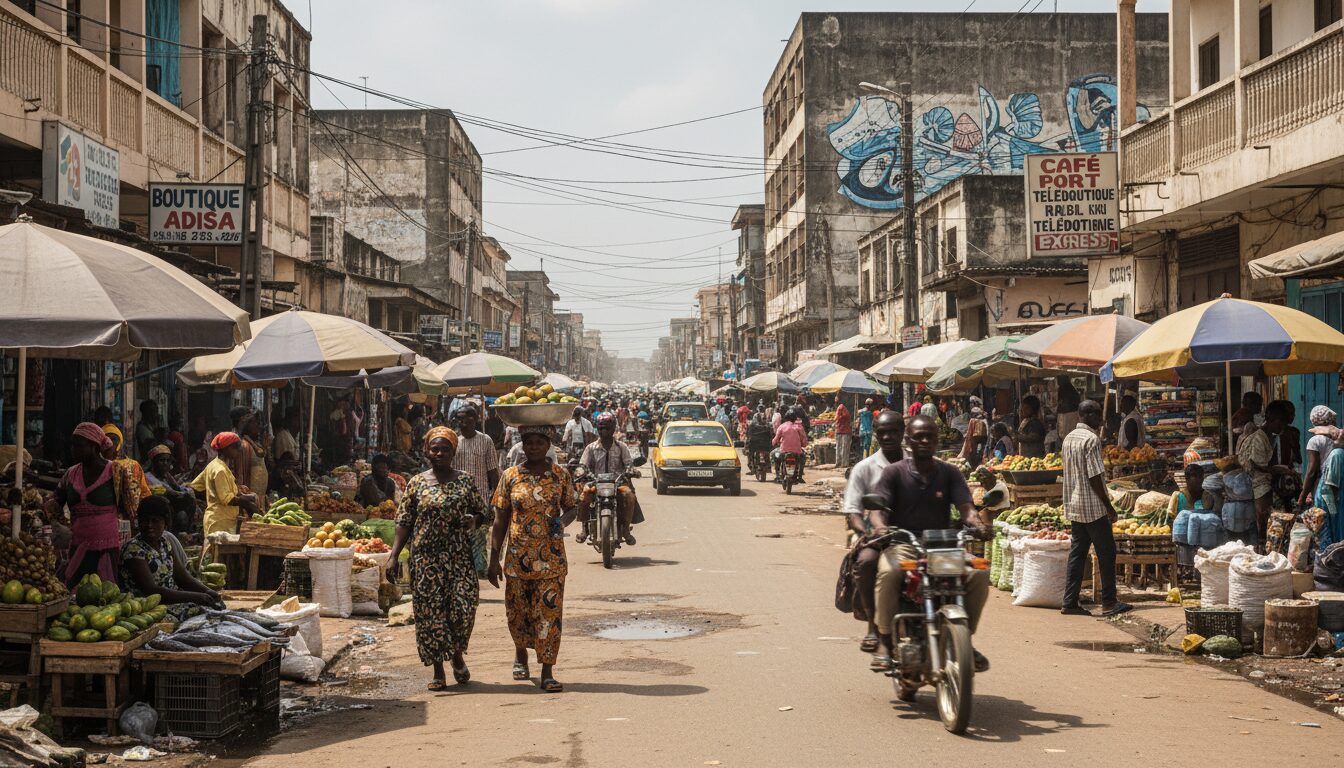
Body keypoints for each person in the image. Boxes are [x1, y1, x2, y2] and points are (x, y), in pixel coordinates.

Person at [872, 416, 991, 673]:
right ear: (909, 441)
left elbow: (967, 508)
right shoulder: (893, 472)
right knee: (889, 572)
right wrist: (881, 528)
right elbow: (878, 509)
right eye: (919, 437)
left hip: (943, 545)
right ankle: (883, 640)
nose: (925, 441)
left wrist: (978, 525)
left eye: (930, 437)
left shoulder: (950, 473)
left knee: (979, 572)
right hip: (904, 542)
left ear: (938, 441)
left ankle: (964, 639)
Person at [387, 427, 490, 690]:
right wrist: (393, 555)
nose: (440, 453)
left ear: (454, 452)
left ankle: (456, 654)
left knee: (463, 608)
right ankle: (437, 669)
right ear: (426, 452)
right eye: (435, 449)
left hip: (458, 558)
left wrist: (473, 519)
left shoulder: (465, 481)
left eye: (445, 449)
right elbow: (404, 520)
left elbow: (483, 512)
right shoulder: (417, 483)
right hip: (426, 559)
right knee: (430, 614)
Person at [488, 426, 582, 693]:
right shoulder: (510, 476)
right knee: (518, 614)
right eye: (529, 443)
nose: (534, 447)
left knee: (549, 615)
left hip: (551, 560)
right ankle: (520, 652)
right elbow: (500, 519)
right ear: (523, 446)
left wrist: (561, 522)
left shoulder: (560, 475)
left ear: (548, 445)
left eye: (540, 442)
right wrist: (494, 559)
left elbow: (572, 507)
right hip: (517, 559)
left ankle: (548, 670)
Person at [844, 411, 905, 656]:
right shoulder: (864, 468)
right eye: (882, 432)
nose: (888, 437)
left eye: (894, 431)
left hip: (913, 533)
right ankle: (872, 625)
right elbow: (853, 511)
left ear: (903, 433)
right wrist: (865, 532)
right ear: (875, 434)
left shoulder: (917, 462)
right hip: (876, 535)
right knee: (867, 563)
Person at [1061, 400, 1130, 617]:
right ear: (1089, 415)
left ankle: (1069, 601)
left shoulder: (1069, 438)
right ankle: (1109, 602)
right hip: (1092, 506)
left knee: (1078, 553)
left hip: (1074, 504)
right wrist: (1108, 506)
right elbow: (1094, 477)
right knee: (1107, 553)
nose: (1101, 418)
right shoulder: (1091, 440)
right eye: (1099, 414)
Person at [46, 424, 132, 586]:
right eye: (73, 445)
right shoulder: (71, 474)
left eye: (79, 445)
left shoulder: (115, 472)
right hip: (78, 546)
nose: (73, 449)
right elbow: (55, 502)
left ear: (94, 446)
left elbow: (129, 507)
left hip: (107, 548)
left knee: (106, 593)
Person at [120, 496, 220, 620]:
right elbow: (151, 590)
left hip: (173, 602)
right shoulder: (134, 550)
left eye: (155, 521)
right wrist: (196, 597)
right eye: (145, 521)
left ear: (165, 523)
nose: (149, 525)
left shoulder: (164, 543)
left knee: (215, 614)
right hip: (150, 608)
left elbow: (181, 575)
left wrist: (207, 591)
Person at [453, 405, 501, 577]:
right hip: (457, 500)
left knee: (479, 537)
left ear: (475, 420)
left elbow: (493, 472)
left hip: (480, 500)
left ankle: (478, 572)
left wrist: (496, 500)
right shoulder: (454, 443)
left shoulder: (485, 440)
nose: (462, 422)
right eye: (459, 418)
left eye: (466, 418)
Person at [577, 414, 639, 545]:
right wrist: (580, 471)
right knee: (585, 495)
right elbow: (583, 465)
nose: (604, 431)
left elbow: (628, 463)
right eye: (601, 428)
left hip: (618, 483)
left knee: (629, 495)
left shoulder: (621, 446)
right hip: (595, 482)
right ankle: (584, 529)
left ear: (613, 428)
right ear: (597, 429)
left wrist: (631, 471)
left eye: (607, 428)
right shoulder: (591, 447)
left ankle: (626, 529)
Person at [189, 432, 260, 536]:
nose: (239, 450)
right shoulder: (220, 470)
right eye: (236, 447)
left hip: (218, 519)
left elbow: (197, 486)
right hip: (220, 523)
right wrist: (250, 498)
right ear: (227, 448)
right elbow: (228, 499)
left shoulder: (213, 464)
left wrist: (234, 489)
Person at [1237, 402, 1284, 540]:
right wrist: (1276, 470)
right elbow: (1256, 464)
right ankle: (1262, 543)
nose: (1282, 426)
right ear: (1271, 419)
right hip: (1258, 483)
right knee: (1263, 518)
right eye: (1280, 422)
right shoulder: (1259, 437)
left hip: (1262, 480)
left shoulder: (1268, 436)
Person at [100, 424, 152, 528]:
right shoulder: (96, 466)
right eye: (107, 439)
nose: (110, 443)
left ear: (119, 442)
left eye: (114, 439)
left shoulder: (133, 465)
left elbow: (144, 492)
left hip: (131, 515)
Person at [144, 444, 197, 535]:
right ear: (154, 462)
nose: (165, 463)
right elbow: (171, 492)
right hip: (158, 514)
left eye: (168, 461)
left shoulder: (166, 476)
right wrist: (185, 492)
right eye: (162, 460)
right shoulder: (148, 477)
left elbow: (179, 488)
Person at [1310, 426, 1344, 552]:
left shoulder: (1337, 454)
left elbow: (1332, 485)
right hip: (1333, 502)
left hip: (1329, 503)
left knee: (1328, 535)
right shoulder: (1338, 453)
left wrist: (1331, 511)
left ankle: (1328, 562)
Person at [1301, 406, 1338, 508]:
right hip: (1337, 485)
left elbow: (1312, 472)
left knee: (1321, 517)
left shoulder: (1315, 441)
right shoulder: (1339, 440)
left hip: (1322, 487)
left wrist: (1302, 497)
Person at [772, 410, 808, 481]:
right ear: (795, 418)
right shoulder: (799, 427)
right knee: (803, 458)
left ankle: (777, 475)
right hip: (797, 452)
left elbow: (776, 439)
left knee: (774, 456)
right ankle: (800, 477)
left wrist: (774, 443)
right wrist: (804, 445)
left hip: (783, 451)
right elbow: (804, 439)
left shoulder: (781, 426)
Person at [833, 397, 852, 468]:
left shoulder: (841, 407)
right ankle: (842, 463)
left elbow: (837, 418)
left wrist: (837, 418)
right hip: (841, 430)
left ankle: (841, 463)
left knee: (841, 447)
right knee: (842, 447)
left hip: (843, 430)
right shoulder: (841, 407)